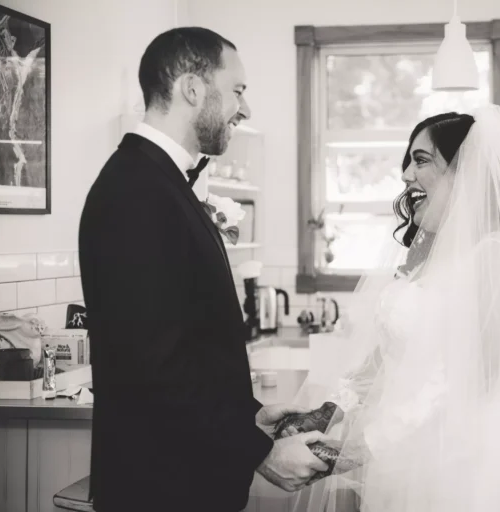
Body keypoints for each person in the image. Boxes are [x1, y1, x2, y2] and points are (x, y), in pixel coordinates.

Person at [267, 105, 500, 511]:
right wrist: (331, 410)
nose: (406, 175)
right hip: (417, 449)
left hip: (483, 458)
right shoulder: (438, 257)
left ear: (465, 171)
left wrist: (358, 449)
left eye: (421, 160)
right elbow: (390, 355)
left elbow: (469, 375)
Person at [79, 27, 328, 512]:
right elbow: (152, 366)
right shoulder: (136, 192)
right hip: (160, 488)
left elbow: (187, 347)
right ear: (192, 89)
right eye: (237, 90)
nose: (246, 109)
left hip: (186, 480)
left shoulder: (159, 182)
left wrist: (251, 417)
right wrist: (260, 453)